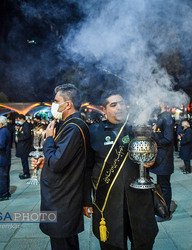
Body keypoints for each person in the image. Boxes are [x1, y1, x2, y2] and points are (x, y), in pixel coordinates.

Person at [83, 92, 158, 250]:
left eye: (122, 103)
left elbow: (159, 153)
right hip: (109, 201)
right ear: (104, 109)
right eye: (113, 105)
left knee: (144, 243)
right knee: (112, 245)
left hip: (139, 200)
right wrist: (85, 199)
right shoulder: (93, 131)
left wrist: (153, 161)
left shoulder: (138, 129)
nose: (119, 107)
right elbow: (87, 167)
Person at [31, 84, 90, 250]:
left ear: (68, 104)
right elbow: (64, 158)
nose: (53, 105)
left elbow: (57, 162)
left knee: (63, 244)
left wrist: (48, 139)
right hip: (62, 197)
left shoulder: (73, 127)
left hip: (62, 200)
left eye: (56, 101)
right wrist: (45, 161)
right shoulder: (69, 124)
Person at [150, 102, 175, 222]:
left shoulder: (166, 118)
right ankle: (160, 209)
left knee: (164, 186)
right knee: (161, 186)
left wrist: (153, 135)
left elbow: (167, 139)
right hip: (160, 158)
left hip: (164, 158)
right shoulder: (161, 117)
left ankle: (165, 213)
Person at [15, 114, 32, 179]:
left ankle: (26, 173)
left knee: (24, 160)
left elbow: (27, 135)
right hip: (22, 146)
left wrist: (19, 138)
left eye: (19, 120)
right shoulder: (22, 125)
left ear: (22, 119)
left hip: (25, 146)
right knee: (23, 160)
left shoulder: (26, 126)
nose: (18, 121)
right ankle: (25, 172)